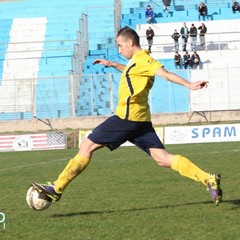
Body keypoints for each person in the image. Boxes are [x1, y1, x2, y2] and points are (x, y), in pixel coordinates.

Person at [31, 26, 222, 207]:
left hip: (126, 118)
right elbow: (132, 71)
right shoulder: (137, 62)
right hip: (140, 121)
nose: (119, 50)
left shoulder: (145, 61)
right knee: (163, 159)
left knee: (86, 145)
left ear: (130, 42)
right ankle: (208, 178)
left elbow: (165, 73)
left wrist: (188, 84)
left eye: (120, 46)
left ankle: (57, 188)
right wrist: (112, 64)